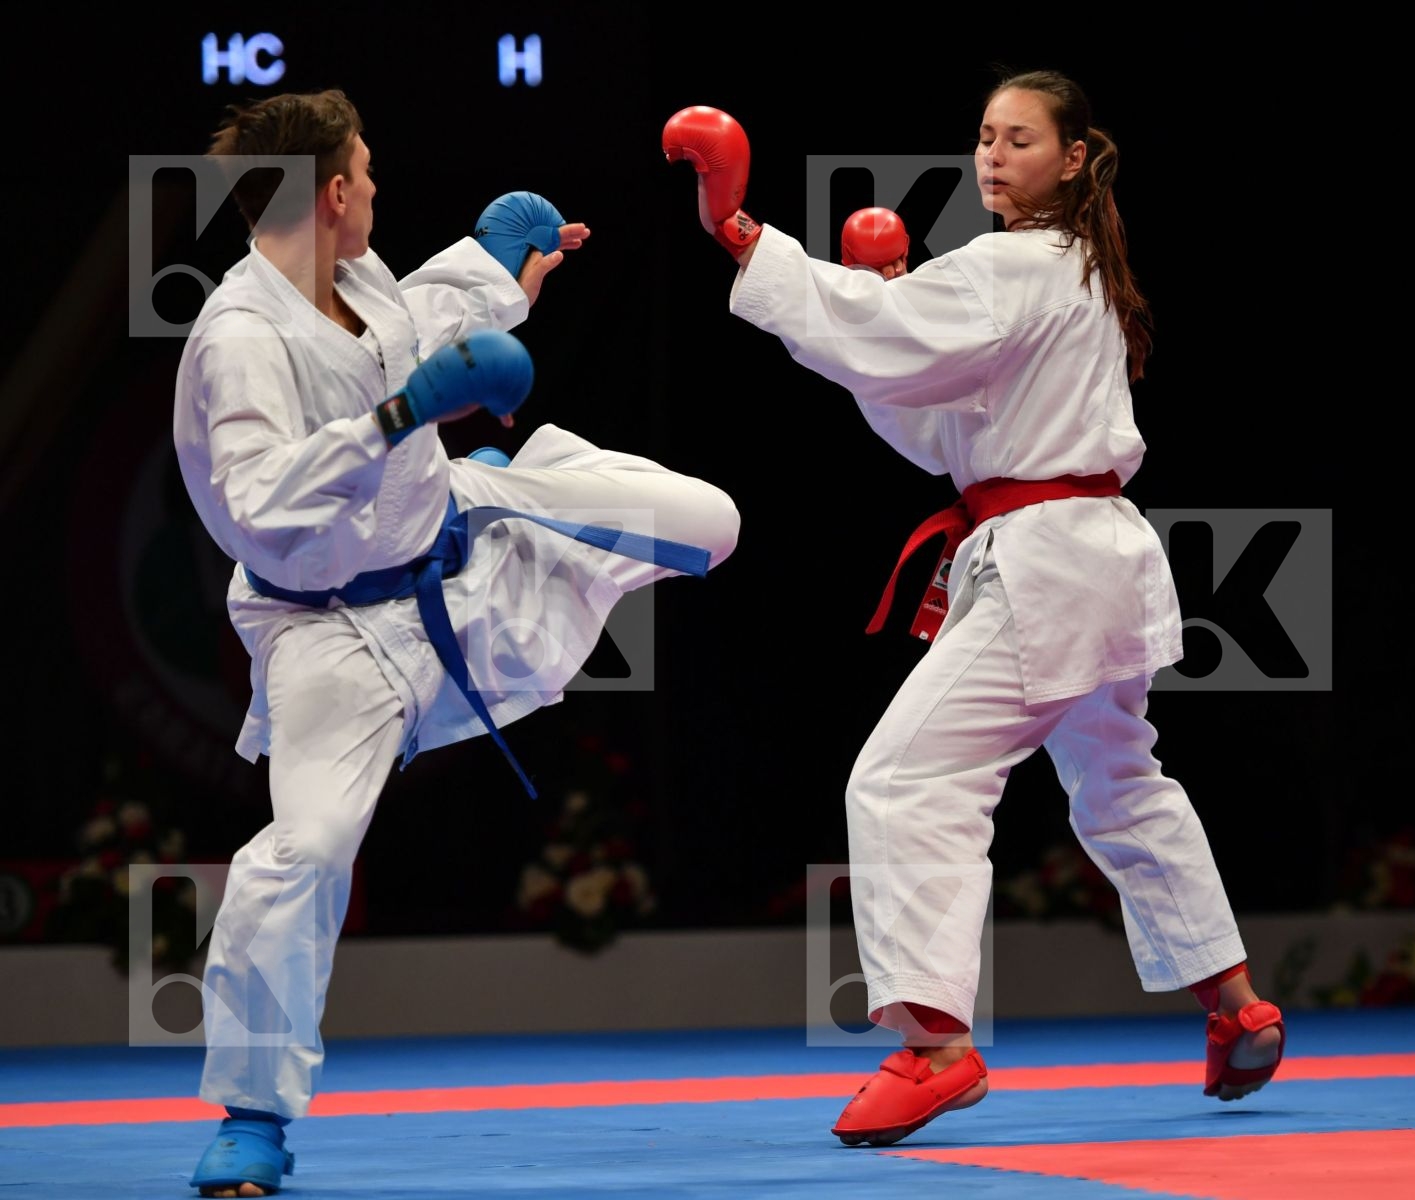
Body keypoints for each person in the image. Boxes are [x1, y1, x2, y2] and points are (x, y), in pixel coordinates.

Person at [662, 70, 1284, 1148]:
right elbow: (938, 428)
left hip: (1048, 564)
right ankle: (1236, 1006)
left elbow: (884, 342)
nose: (994, 157)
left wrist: (739, 231)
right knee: (1120, 779)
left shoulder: (1016, 263)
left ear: (1075, 157)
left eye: (1022, 141)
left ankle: (937, 1044)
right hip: (1096, 557)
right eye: (986, 138)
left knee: (906, 777)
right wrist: (890, 296)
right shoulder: (1076, 266)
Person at [174, 90, 741, 1196]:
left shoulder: (356, 276)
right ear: (332, 193)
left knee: (713, 525)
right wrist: (392, 421)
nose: (379, 190)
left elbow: (418, 332)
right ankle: (251, 1113)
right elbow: (251, 502)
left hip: (468, 546)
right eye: (370, 175)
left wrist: (491, 263)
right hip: (330, 636)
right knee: (307, 851)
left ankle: (540, 500)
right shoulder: (239, 339)